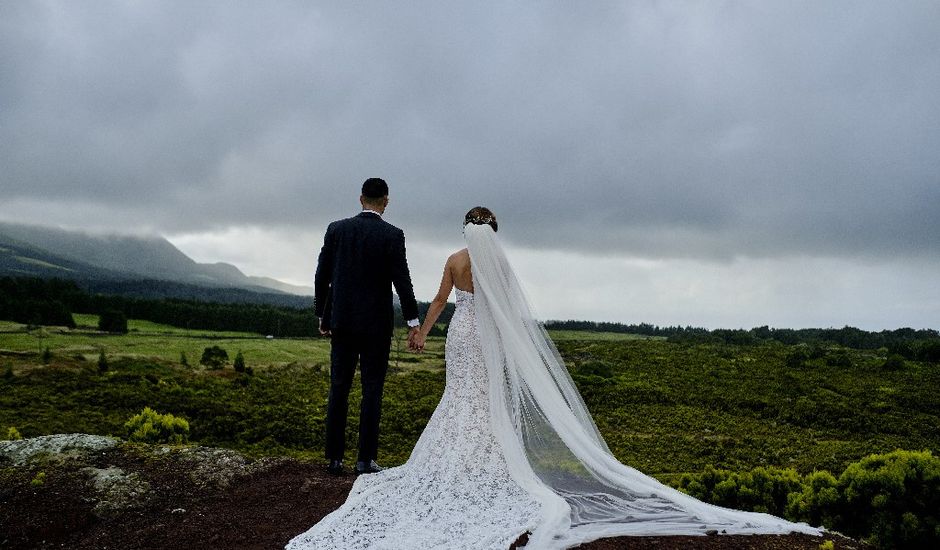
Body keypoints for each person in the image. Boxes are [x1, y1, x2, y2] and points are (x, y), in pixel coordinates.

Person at [288, 207, 822, 549]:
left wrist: (422, 331)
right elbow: (510, 311)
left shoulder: (454, 259)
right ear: (493, 231)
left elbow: (440, 301)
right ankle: (493, 462)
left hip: (460, 335)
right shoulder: (499, 265)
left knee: (460, 398)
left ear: (466, 231)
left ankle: (441, 461)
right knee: (488, 399)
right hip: (490, 336)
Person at [313, 177, 420, 477]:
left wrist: (323, 316)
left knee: (339, 387)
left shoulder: (336, 230)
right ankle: (365, 460)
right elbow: (403, 280)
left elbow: (322, 276)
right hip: (376, 326)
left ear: (361, 199)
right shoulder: (393, 235)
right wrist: (413, 322)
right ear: (386, 201)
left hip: (342, 322)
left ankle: (334, 459)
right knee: (372, 390)